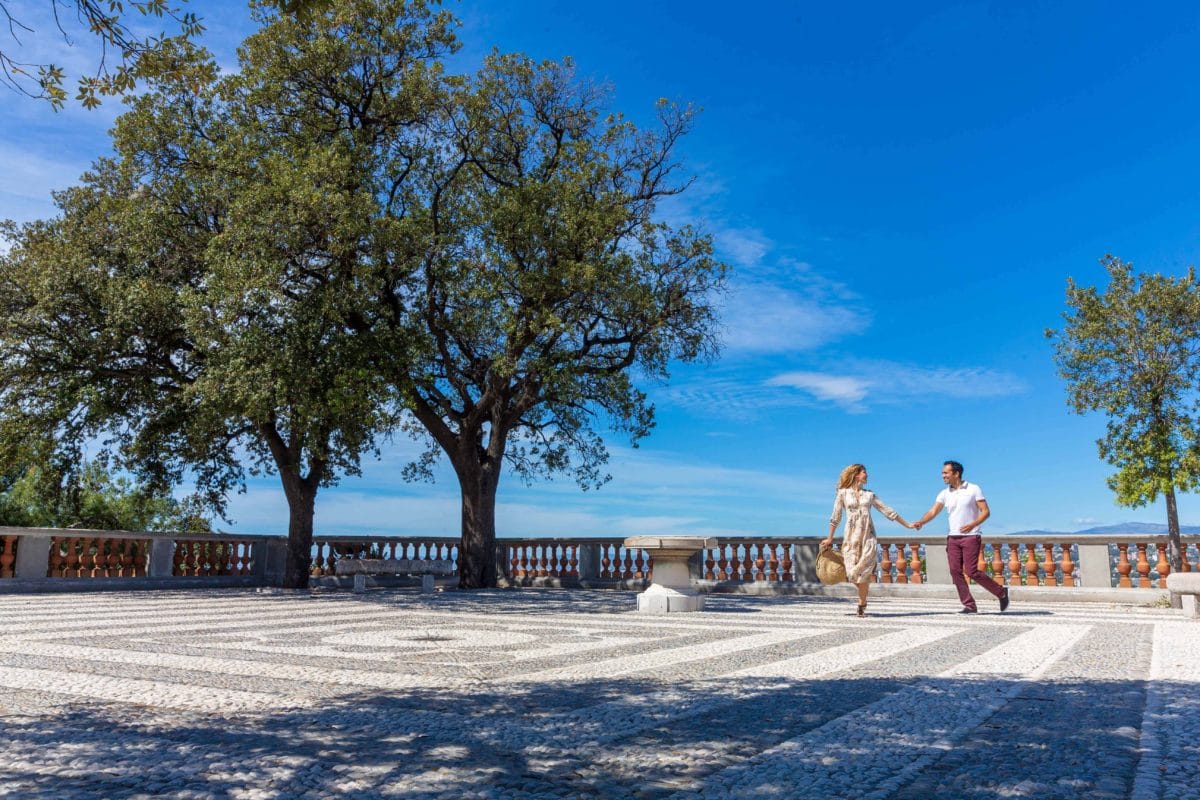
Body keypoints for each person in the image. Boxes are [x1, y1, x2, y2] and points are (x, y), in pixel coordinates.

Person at [912, 460, 1010, 614]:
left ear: (956, 473)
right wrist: (922, 522)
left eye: (946, 472)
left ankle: (1001, 592)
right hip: (953, 538)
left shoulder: (973, 489)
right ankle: (969, 605)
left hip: (971, 536)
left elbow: (985, 511)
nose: (942, 475)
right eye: (942, 473)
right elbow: (933, 511)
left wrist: (973, 524)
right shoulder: (944, 493)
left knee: (971, 571)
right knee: (955, 571)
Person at [822, 463, 913, 617]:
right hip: (851, 538)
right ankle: (863, 600)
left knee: (863, 573)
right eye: (864, 472)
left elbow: (888, 511)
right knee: (852, 573)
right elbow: (835, 516)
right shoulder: (843, 493)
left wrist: (908, 525)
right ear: (856, 474)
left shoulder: (869, 495)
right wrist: (830, 537)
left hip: (868, 537)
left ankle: (861, 603)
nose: (867, 475)